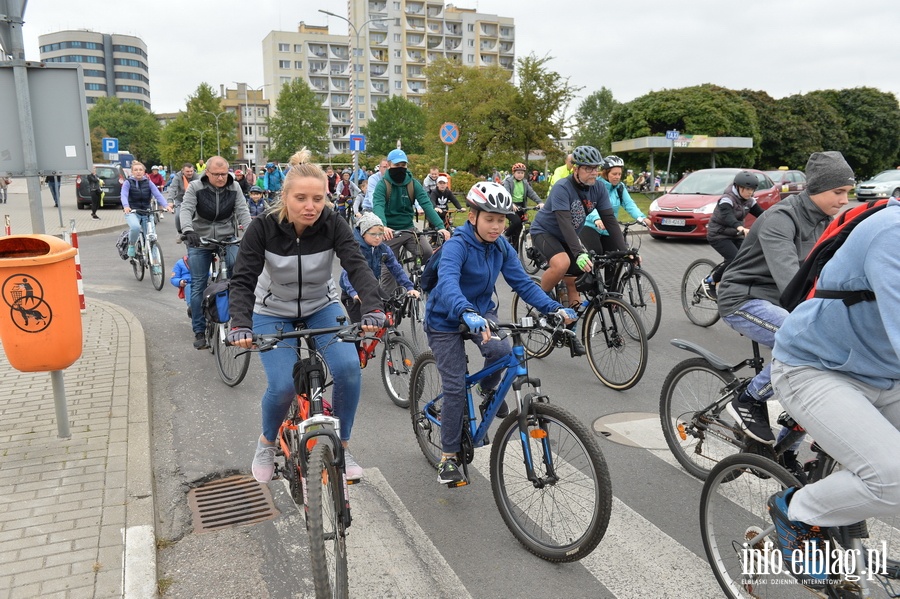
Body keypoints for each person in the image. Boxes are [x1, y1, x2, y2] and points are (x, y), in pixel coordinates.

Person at [766, 197, 900, 589]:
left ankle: (848, 534)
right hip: (816, 367)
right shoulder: (892, 234)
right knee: (892, 477)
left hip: (886, 374)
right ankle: (798, 511)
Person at [226, 156, 386, 483]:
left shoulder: (333, 223)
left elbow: (357, 266)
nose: (310, 206)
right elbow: (242, 280)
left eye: (318, 198)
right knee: (283, 384)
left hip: (321, 305)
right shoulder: (263, 228)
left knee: (348, 370)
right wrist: (240, 323)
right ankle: (267, 443)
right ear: (285, 197)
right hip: (271, 311)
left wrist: (373, 307)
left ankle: (342, 445)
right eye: (301, 198)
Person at [425, 182, 576, 486]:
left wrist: (553, 309)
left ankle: (486, 393)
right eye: (490, 219)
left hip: (482, 314)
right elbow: (449, 283)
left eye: (501, 219)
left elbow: (523, 283)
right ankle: (449, 457)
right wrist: (467, 312)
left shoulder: (501, 246)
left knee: (503, 352)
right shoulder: (457, 244)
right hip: (446, 318)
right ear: (473, 216)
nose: (496, 226)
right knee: (454, 387)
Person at [717, 151, 854, 444]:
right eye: (839, 192)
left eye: (848, 193)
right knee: (805, 341)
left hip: (777, 300)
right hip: (743, 298)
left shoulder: (824, 220)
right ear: (817, 188)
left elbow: (836, 271)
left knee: (824, 363)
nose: (845, 200)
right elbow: (794, 285)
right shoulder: (781, 218)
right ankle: (749, 398)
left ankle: (786, 451)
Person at [529, 145, 626, 356]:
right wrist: (579, 252)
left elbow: (609, 220)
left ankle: (569, 331)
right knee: (562, 263)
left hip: (569, 236)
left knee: (575, 280)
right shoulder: (562, 188)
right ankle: (539, 301)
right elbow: (564, 223)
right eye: (588, 168)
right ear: (576, 169)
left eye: (596, 168)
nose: (593, 172)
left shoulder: (599, 188)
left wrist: (625, 251)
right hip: (545, 232)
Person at [180, 156, 253, 350]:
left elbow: (242, 211)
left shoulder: (234, 187)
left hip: (226, 236)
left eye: (224, 174)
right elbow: (186, 209)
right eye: (216, 174)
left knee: (238, 273)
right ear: (207, 173)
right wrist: (188, 230)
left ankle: (237, 318)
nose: (221, 178)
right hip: (200, 238)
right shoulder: (196, 187)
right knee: (198, 285)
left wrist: (252, 233)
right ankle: (199, 329)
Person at [372, 148, 450, 286]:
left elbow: (426, 205)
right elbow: (378, 206)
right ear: (389, 166)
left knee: (427, 252)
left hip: (409, 229)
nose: (400, 168)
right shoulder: (382, 185)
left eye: (403, 165)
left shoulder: (413, 183)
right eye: (397, 165)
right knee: (389, 272)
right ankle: (387, 305)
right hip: (390, 232)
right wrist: (383, 226)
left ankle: (413, 274)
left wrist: (441, 227)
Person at [339, 212, 419, 323]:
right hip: (352, 293)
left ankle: (387, 338)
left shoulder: (383, 248)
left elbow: (396, 269)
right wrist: (354, 293)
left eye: (380, 234)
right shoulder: (355, 249)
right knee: (359, 329)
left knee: (386, 313)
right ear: (363, 233)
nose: (378, 238)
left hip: (371, 287)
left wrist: (409, 287)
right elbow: (347, 274)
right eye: (373, 234)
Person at [702, 170, 764, 299]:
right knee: (733, 259)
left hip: (735, 234)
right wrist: (740, 227)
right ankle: (710, 281)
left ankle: (733, 284)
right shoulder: (727, 199)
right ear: (738, 187)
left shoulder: (749, 201)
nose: (750, 192)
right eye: (747, 189)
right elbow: (728, 217)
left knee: (747, 258)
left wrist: (776, 220)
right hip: (718, 235)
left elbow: (762, 214)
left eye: (752, 189)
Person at [580, 155, 651, 256]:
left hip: (609, 227)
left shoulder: (620, 187)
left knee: (614, 257)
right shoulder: (594, 185)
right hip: (590, 225)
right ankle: (588, 271)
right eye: (614, 174)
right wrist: (597, 219)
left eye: (619, 174)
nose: (617, 177)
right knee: (596, 253)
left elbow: (629, 204)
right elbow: (590, 205)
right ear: (605, 173)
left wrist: (641, 218)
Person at [121, 161, 172, 258]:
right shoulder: (128, 182)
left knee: (151, 237)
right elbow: (123, 195)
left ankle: (156, 265)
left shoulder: (148, 183)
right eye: (136, 170)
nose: (138, 172)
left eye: (140, 170)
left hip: (147, 212)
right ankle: (132, 245)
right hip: (132, 211)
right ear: (132, 172)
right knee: (135, 227)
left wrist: (166, 205)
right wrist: (126, 206)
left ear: (144, 172)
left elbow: (157, 194)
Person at [501, 162, 543, 250]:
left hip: (521, 207)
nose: (520, 175)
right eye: (518, 173)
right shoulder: (508, 182)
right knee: (516, 222)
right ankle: (506, 235)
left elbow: (532, 193)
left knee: (519, 228)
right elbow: (506, 193)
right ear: (514, 173)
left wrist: (540, 202)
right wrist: (511, 203)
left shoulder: (525, 183)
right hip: (509, 206)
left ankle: (515, 251)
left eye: (522, 173)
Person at [167, 163, 200, 233]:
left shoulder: (197, 177)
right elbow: (173, 188)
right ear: (183, 171)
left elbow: (201, 188)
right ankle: (179, 232)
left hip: (194, 200)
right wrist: (170, 201)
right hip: (180, 199)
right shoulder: (178, 176)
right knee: (178, 216)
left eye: (191, 171)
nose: (190, 173)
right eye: (187, 171)